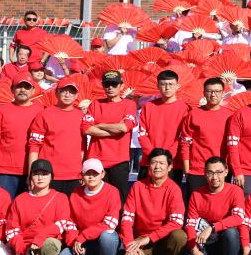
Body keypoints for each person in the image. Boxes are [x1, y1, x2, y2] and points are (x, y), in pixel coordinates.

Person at [120, 148, 187, 255]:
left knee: (180, 236)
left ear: (169, 167)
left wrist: (150, 238)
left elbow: (176, 222)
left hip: (163, 239)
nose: (157, 166)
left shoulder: (174, 189)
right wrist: (129, 246)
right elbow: (127, 219)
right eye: (153, 162)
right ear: (148, 165)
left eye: (162, 163)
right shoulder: (137, 186)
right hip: (141, 240)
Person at [178, 156, 247, 255]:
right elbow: (190, 224)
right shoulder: (197, 194)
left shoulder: (235, 191)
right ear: (205, 173)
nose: (214, 177)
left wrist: (212, 227)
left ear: (226, 172)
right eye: (210, 172)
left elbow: (238, 218)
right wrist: (194, 249)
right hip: (206, 244)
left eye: (219, 172)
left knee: (231, 232)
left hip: (226, 241)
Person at [5, 159, 74, 255]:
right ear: (30, 177)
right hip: (26, 245)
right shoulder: (20, 199)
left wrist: (40, 238)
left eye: (44, 174)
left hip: (47, 242)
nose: (40, 178)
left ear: (51, 177)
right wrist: (22, 248)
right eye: (36, 174)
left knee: (50, 243)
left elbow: (61, 223)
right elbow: (12, 229)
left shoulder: (60, 197)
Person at [54, 159, 121, 255]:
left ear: (102, 174)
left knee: (108, 236)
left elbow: (111, 223)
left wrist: (82, 237)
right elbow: (70, 221)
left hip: (104, 240)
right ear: (82, 175)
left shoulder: (112, 192)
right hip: (85, 242)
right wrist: (74, 242)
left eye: (95, 173)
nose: (91, 177)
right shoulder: (75, 193)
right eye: (87, 173)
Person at [82, 71, 137, 201]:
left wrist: (100, 125)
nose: (110, 87)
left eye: (114, 84)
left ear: (121, 86)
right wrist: (114, 130)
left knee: (119, 200)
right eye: (107, 84)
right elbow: (87, 129)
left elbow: (124, 127)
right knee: (96, 199)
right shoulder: (95, 104)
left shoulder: (129, 104)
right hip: (96, 160)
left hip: (119, 161)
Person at [0, 77, 44, 198]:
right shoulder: (1, 111)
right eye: (19, 87)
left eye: (27, 87)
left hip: (35, 170)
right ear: (12, 89)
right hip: (6, 171)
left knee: (28, 208)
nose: (22, 90)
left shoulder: (41, 111)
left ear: (33, 90)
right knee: (4, 205)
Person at [28, 77, 85, 194]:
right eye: (64, 91)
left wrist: (83, 171)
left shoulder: (82, 116)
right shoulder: (44, 115)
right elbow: (34, 146)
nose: (67, 94)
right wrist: (31, 174)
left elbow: (83, 148)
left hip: (75, 175)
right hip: (49, 174)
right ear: (56, 92)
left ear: (76, 95)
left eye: (72, 91)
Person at [179, 77, 231, 205]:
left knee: (220, 206)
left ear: (223, 93)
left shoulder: (230, 116)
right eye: (209, 91)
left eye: (217, 91)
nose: (213, 94)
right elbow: (185, 143)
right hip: (197, 169)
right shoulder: (194, 114)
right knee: (196, 206)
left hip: (221, 170)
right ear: (204, 93)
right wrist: (187, 169)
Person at [138, 69, 189, 184]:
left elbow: (182, 137)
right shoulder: (148, 106)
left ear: (177, 86)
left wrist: (167, 157)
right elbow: (142, 134)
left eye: (171, 84)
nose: (167, 88)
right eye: (163, 84)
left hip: (172, 163)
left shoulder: (184, 108)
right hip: (149, 161)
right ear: (158, 86)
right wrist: (153, 156)